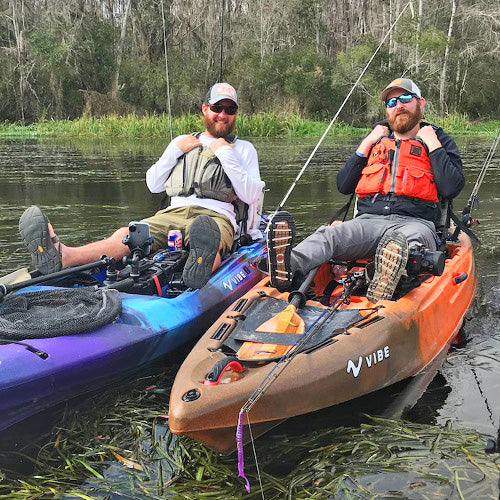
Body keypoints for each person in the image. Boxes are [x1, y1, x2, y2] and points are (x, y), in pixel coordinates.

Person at [19, 82, 265, 289]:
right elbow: (153, 184)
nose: (222, 114)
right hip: (172, 213)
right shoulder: (183, 142)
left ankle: (197, 268)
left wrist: (225, 153)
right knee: (129, 235)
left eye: (229, 109)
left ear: (235, 113)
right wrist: (173, 151)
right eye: (216, 108)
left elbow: (251, 194)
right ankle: (64, 255)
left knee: (210, 240)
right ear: (205, 109)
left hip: (216, 217)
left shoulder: (243, 149)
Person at [268, 77, 464, 302]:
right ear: (387, 110)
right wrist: (367, 142)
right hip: (368, 221)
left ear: (421, 103)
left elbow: (451, 187)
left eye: (406, 99)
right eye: (391, 102)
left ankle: (382, 275)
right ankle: (288, 266)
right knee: (329, 235)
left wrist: (432, 143)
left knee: (407, 246)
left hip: (415, 224)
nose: (398, 105)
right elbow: (344, 185)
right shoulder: (376, 140)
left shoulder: (439, 140)